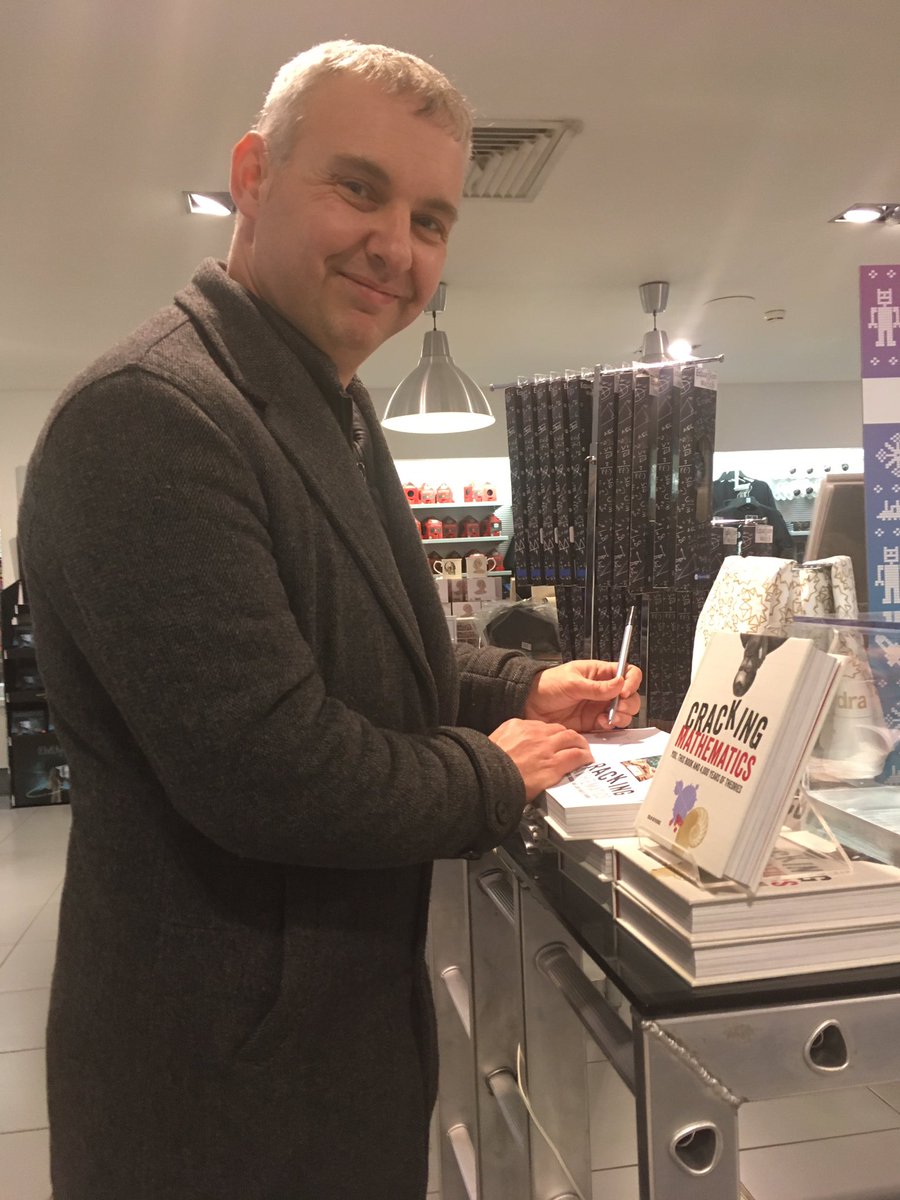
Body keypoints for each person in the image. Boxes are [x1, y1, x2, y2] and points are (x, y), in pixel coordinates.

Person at [18, 40, 641, 1200]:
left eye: (431, 219)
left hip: (324, 1042)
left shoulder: (328, 406)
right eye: (359, 189)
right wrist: (491, 775)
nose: (396, 247)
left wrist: (518, 688)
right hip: (216, 1087)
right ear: (254, 174)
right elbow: (271, 766)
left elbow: (375, 642)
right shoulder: (151, 417)